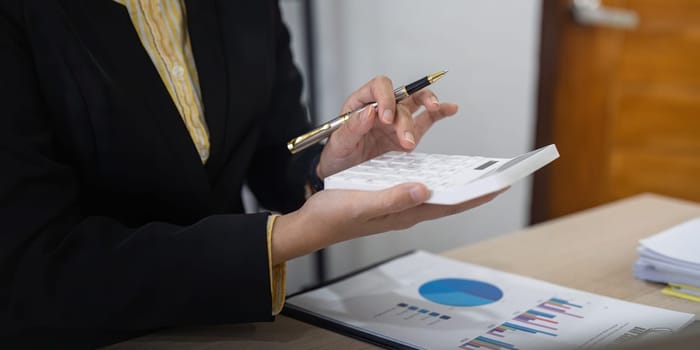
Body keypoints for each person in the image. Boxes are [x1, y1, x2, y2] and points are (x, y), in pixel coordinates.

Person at [0, 0, 503, 348]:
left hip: (223, 331)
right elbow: (33, 270)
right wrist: (282, 238)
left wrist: (332, 166)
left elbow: (272, 149)